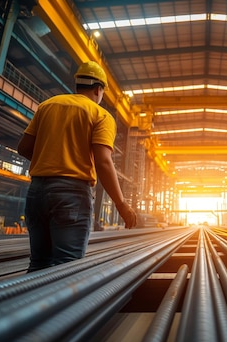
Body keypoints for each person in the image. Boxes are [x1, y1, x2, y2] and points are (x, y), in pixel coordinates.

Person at [17, 61, 137, 272]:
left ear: (78, 84)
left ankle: (28, 305)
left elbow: (24, 148)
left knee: (38, 264)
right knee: (67, 269)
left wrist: (51, 159)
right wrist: (121, 203)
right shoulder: (100, 115)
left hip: (37, 192)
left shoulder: (48, 106)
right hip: (71, 195)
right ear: (99, 89)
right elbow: (103, 161)